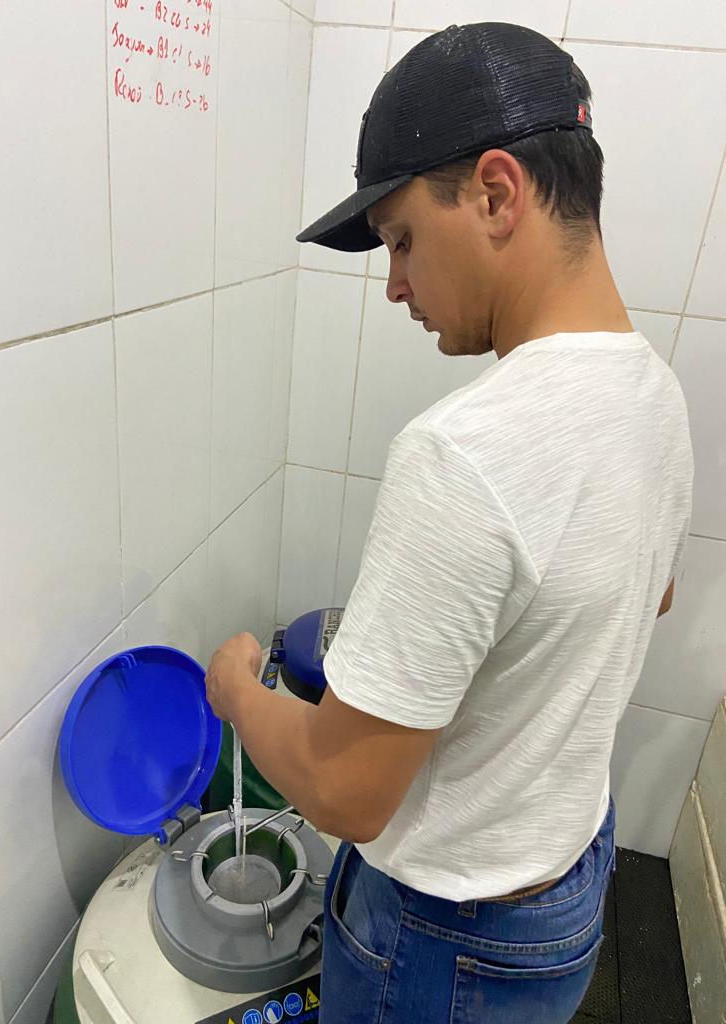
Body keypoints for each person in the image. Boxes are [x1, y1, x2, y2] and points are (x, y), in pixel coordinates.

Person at [205, 22, 693, 1023]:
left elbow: (344, 793)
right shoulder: (653, 393)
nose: (394, 284)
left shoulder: (465, 451)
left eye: (400, 240)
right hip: (566, 876)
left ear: (497, 194)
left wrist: (236, 689)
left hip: (447, 939)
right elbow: (650, 593)